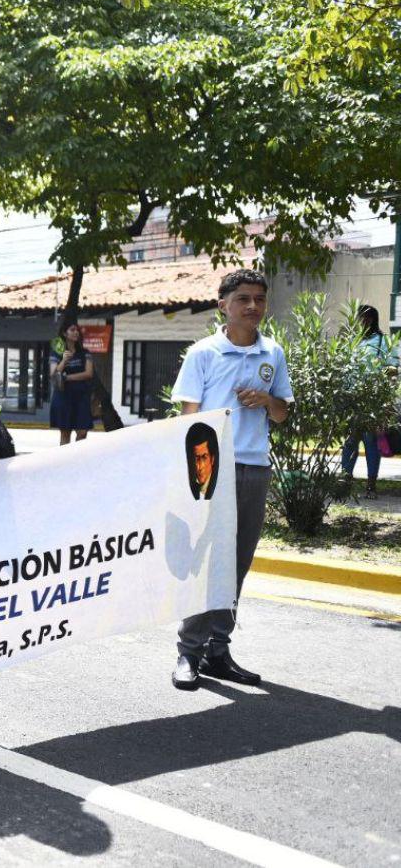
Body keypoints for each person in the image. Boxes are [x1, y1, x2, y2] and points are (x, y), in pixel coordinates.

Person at [169, 268, 293, 692]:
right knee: (207, 562)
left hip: (254, 467)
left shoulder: (272, 353)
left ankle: (218, 651)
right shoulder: (203, 353)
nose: (253, 306)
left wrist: (267, 400)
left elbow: (282, 413)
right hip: (211, 470)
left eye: (259, 299)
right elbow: (187, 419)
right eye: (243, 299)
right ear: (223, 305)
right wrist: (190, 474)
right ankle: (189, 652)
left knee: (237, 563)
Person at [341, 305, 398, 497]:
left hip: (372, 401)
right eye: (359, 318)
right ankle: (345, 483)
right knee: (350, 442)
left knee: (371, 442)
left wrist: (386, 401)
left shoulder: (382, 341)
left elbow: (392, 371)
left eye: (365, 318)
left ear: (372, 319)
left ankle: (371, 485)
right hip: (352, 400)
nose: (361, 321)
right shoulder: (353, 341)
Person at [49, 323, 95, 445]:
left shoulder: (85, 353)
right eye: (72, 330)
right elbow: (53, 374)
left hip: (81, 396)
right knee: (65, 433)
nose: (76, 332)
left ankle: (77, 455)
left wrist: (66, 377)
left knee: (83, 432)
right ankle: (65, 457)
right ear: (65, 333)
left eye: (77, 330)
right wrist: (64, 361)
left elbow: (89, 373)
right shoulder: (57, 353)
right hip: (63, 396)